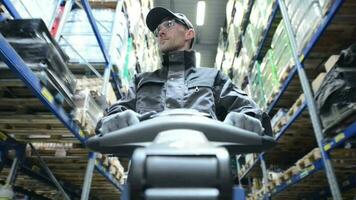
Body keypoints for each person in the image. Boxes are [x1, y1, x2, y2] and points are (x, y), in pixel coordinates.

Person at [96, 7, 272, 136]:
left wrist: (245, 118)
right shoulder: (141, 80)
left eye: (169, 24)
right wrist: (114, 119)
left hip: (206, 166)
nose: (161, 32)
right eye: (157, 30)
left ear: (189, 34)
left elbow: (248, 109)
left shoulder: (213, 77)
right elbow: (116, 112)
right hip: (145, 167)